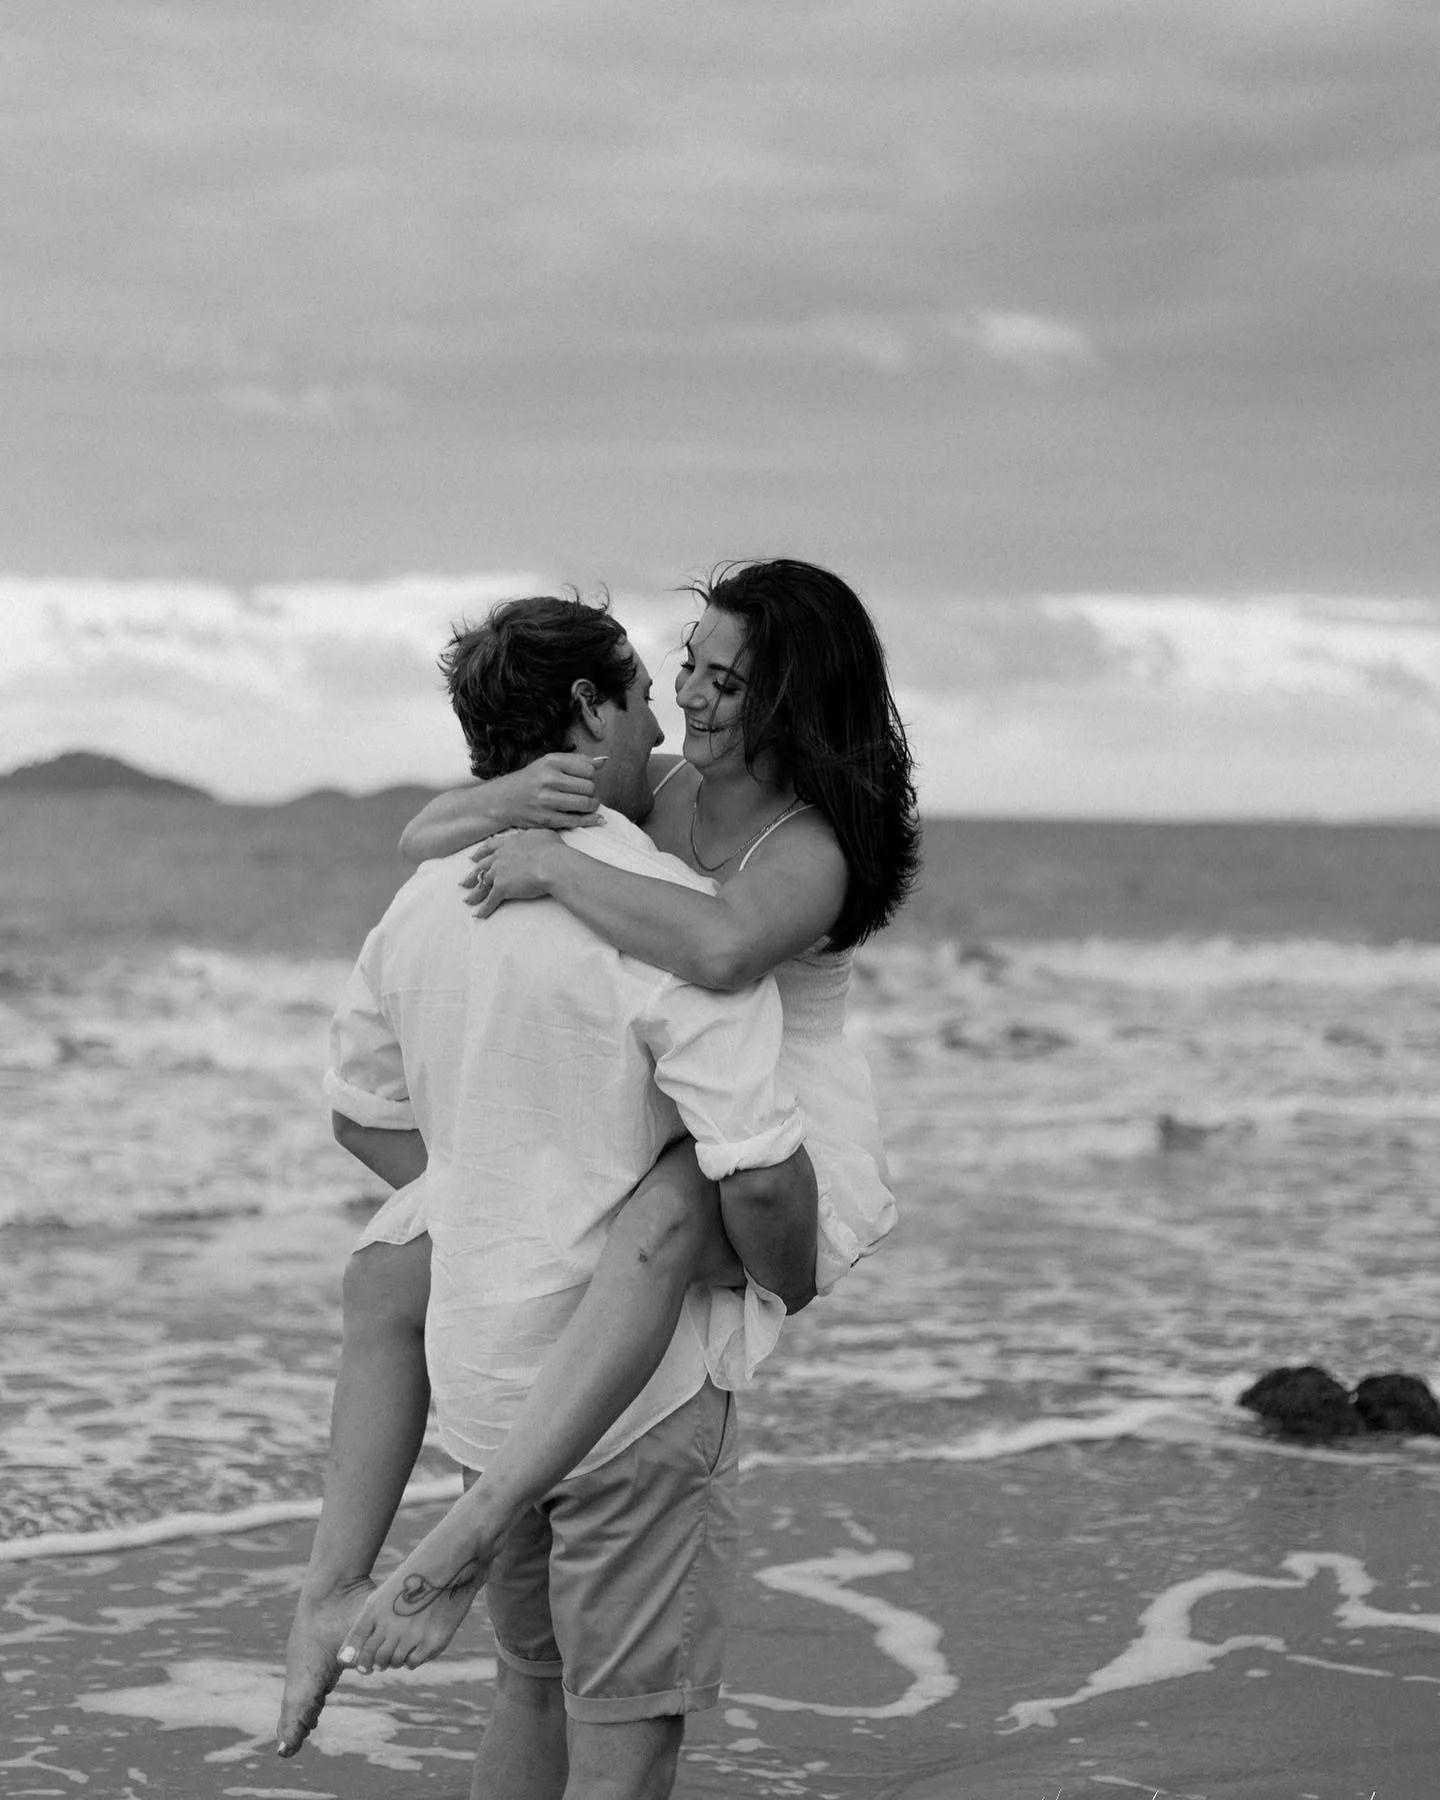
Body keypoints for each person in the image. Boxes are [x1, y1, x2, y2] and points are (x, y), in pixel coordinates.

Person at [276, 559, 919, 1756]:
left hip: (776, 1109)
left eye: (728, 681)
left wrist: (556, 864)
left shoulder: (812, 847)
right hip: (676, 1095)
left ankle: (473, 1521)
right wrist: (516, 802)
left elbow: (723, 951)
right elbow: (426, 831)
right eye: (687, 664)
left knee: (664, 1222)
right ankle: (344, 1574)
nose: (691, 698)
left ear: (794, 699)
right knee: (396, 1262)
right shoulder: (660, 785)